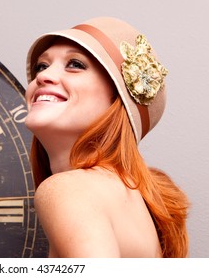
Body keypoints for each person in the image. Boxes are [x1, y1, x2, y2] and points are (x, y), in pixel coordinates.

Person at [24, 17, 189, 257]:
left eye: (75, 64)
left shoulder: (68, 190)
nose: (43, 76)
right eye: (42, 66)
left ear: (117, 100)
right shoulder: (132, 200)